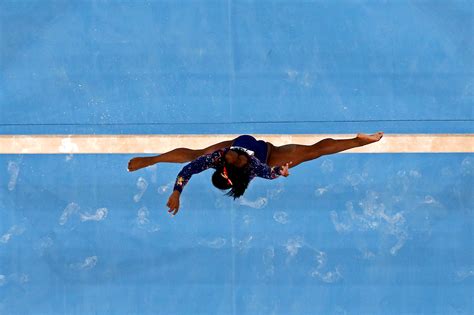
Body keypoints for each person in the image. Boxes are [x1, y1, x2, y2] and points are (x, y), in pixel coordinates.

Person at [128, 132, 384, 215]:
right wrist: (281, 171)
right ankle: (359, 141)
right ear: (233, 169)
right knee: (310, 153)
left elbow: (188, 170)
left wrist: (176, 191)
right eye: (228, 158)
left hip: (243, 142)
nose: (226, 155)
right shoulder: (252, 168)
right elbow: (269, 173)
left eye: (224, 159)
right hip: (268, 153)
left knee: (196, 155)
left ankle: (152, 160)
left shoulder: (218, 156)